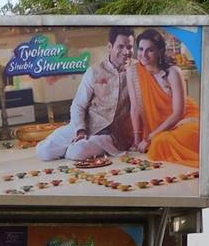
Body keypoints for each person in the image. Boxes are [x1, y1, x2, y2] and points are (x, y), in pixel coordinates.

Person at [34, 29, 135, 162]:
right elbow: (78, 105)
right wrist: (80, 130)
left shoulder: (137, 70)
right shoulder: (95, 71)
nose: (126, 52)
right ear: (110, 47)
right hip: (88, 125)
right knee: (44, 151)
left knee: (75, 153)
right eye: (120, 46)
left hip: (112, 133)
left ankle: (77, 146)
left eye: (130, 47)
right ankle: (75, 142)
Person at [127, 27, 201, 166]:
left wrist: (149, 138)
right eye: (141, 49)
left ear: (160, 51)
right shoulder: (133, 72)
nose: (144, 54)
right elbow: (135, 107)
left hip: (185, 121)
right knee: (161, 142)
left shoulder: (173, 72)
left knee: (165, 141)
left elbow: (178, 114)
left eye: (150, 50)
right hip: (158, 128)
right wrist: (137, 140)